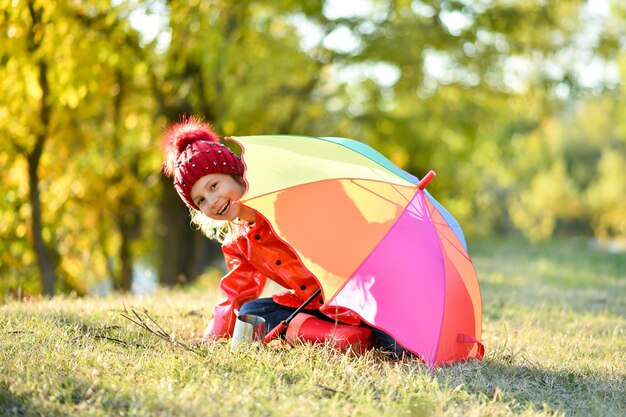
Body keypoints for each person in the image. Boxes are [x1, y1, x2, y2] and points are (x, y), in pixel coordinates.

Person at [161, 116, 406, 357]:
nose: (212, 201)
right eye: (200, 201)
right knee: (252, 312)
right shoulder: (238, 241)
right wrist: (213, 338)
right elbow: (236, 292)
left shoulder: (284, 204)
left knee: (401, 346)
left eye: (214, 186)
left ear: (236, 175)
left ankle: (362, 332)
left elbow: (338, 239)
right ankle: (336, 337)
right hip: (314, 307)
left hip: (357, 295)